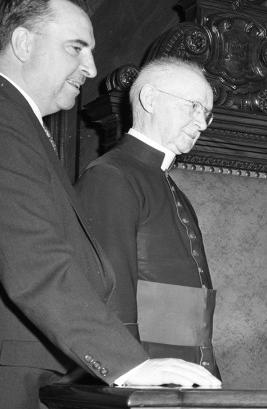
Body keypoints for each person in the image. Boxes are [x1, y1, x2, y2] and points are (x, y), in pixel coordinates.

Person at [0, 0, 219, 408]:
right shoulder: (11, 121)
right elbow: (33, 257)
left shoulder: (21, 120)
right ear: (24, 43)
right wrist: (127, 365)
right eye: (75, 47)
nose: (91, 66)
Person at [75, 56, 221, 380]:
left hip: (182, 371)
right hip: (144, 370)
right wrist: (130, 370)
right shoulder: (111, 175)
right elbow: (109, 292)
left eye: (207, 114)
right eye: (194, 107)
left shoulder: (168, 184)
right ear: (150, 99)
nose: (202, 123)